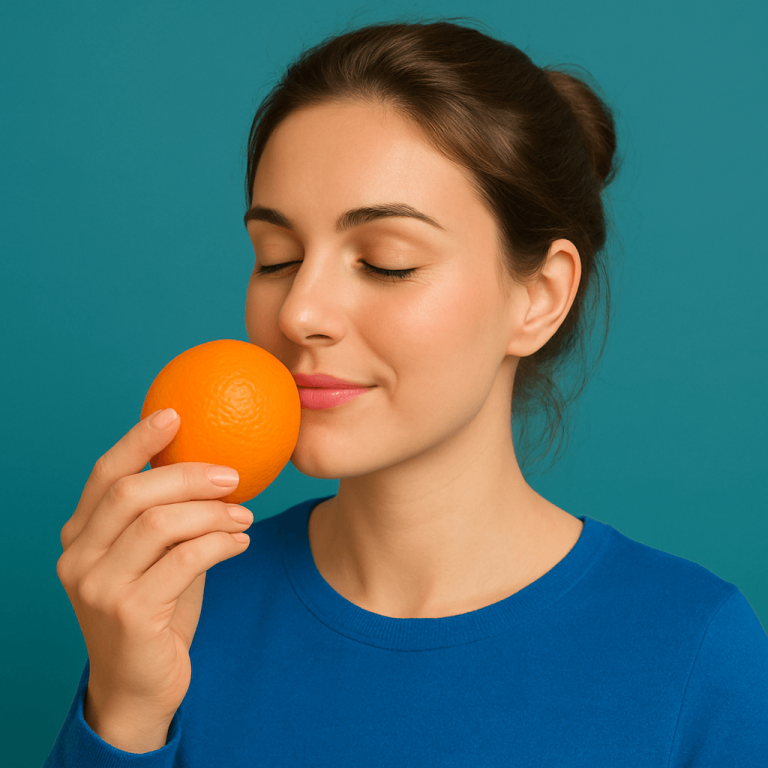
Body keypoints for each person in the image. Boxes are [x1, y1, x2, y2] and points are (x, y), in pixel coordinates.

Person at [44, 19, 767, 766]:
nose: (300, 313)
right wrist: (126, 707)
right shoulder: (178, 612)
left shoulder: (693, 646)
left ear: (540, 296)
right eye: (277, 257)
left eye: (386, 262)